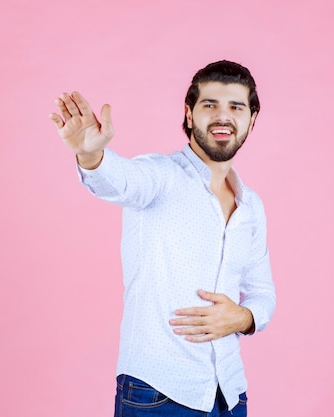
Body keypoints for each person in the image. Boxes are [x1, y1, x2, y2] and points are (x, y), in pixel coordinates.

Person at [49, 60, 276, 417]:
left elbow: (262, 292)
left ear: (251, 120)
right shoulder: (160, 176)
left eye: (236, 107)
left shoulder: (252, 206)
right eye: (209, 105)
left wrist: (244, 317)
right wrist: (91, 154)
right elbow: (118, 179)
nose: (223, 116)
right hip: (158, 393)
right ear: (188, 114)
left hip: (229, 394)